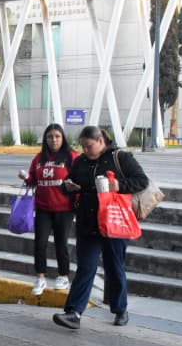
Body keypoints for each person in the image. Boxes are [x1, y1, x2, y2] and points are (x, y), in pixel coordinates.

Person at [53, 126, 147, 330]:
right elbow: (68, 182)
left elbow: (141, 181)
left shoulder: (120, 158)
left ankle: (120, 309)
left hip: (114, 222)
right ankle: (74, 313)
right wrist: (68, 186)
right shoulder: (81, 162)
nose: (85, 150)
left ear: (101, 142)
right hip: (88, 222)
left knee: (114, 267)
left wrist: (119, 186)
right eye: (83, 146)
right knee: (85, 268)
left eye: (89, 146)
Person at [17, 123, 75, 296]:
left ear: (62, 138)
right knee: (39, 243)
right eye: (50, 137)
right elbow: (33, 181)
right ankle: (40, 277)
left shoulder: (71, 157)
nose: (53, 139)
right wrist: (26, 177)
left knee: (60, 244)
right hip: (43, 208)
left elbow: (79, 179)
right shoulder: (38, 159)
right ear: (45, 139)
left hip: (64, 209)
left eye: (57, 136)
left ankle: (63, 275)